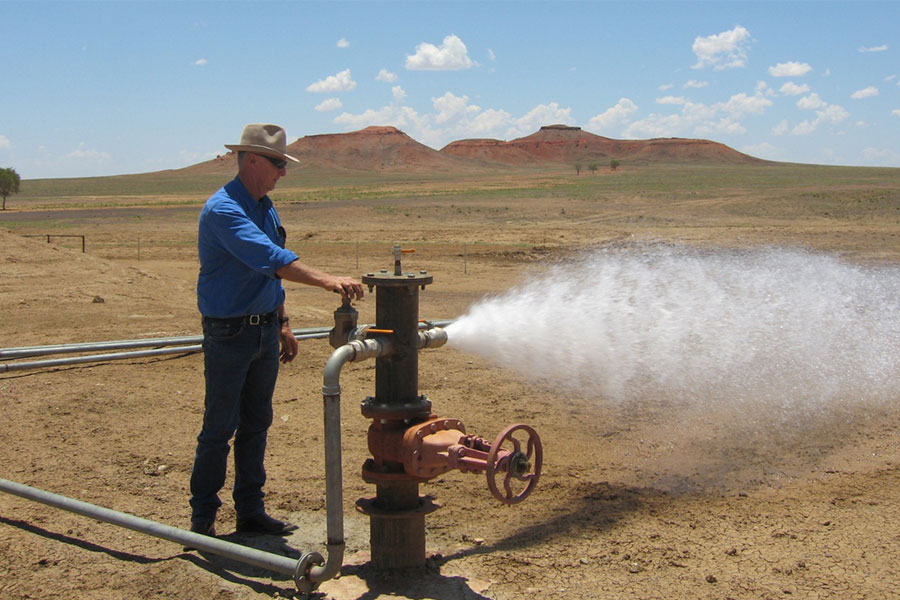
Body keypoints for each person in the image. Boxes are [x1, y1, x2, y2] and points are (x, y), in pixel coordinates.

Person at [188, 123, 364, 539]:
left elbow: (268, 276)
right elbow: (272, 258)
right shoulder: (224, 210)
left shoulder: (264, 205)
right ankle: (203, 520)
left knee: (257, 423)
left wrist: (282, 322)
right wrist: (326, 280)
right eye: (277, 163)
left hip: (264, 331)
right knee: (219, 428)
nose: (282, 172)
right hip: (229, 334)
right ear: (252, 160)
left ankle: (250, 511)